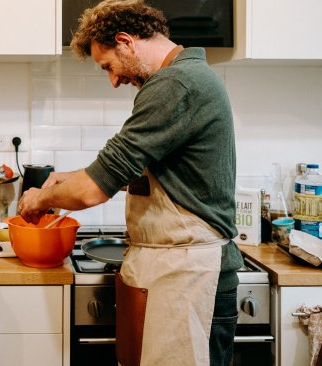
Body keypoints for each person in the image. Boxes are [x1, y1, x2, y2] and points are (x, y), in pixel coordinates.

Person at [17, 1, 243, 365]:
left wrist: (42, 198)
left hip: (192, 276)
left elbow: (94, 188)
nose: (113, 79)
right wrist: (64, 181)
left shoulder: (175, 85)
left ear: (125, 41)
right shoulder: (184, 79)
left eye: (108, 66)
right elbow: (137, 172)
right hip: (179, 270)